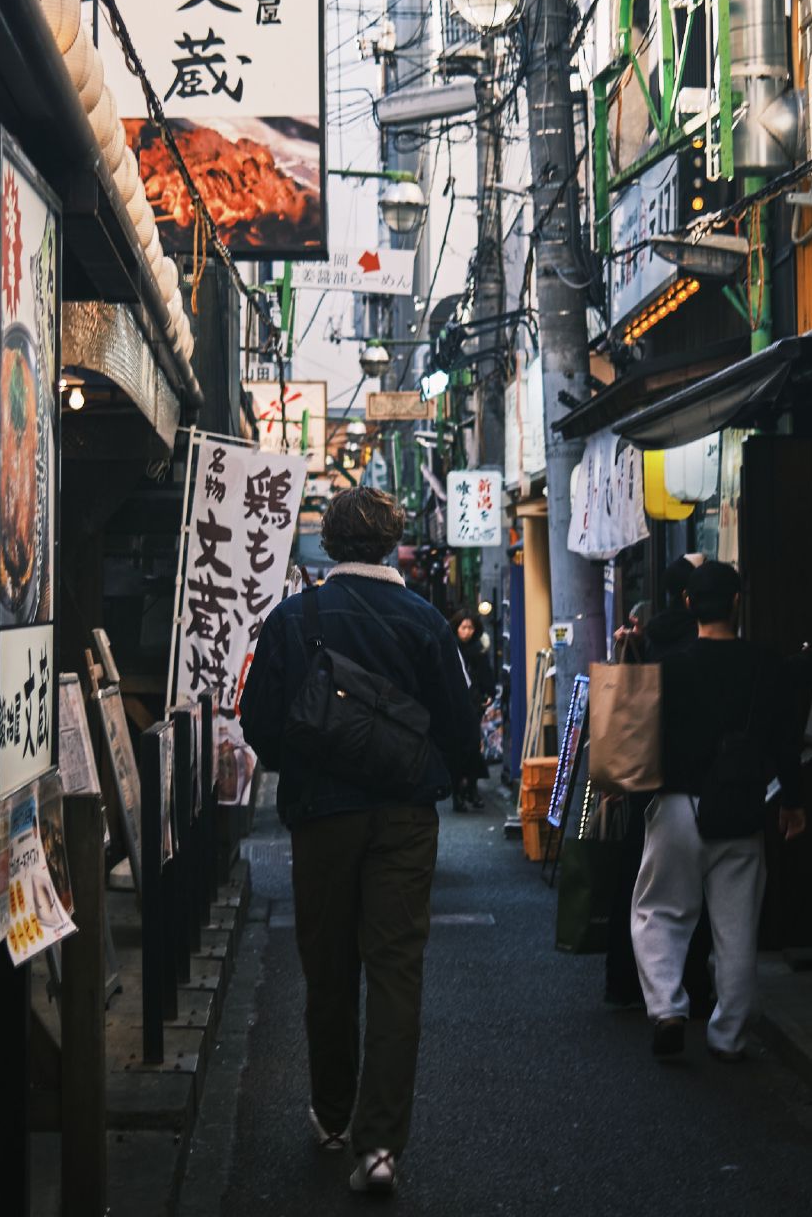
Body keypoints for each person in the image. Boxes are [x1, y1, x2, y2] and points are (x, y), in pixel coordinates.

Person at [239, 487, 479, 1195]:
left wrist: (317, 755)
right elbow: (462, 736)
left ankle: (333, 1113)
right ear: (391, 545)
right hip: (405, 816)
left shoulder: (293, 619)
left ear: (331, 542)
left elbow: (259, 725)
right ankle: (379, 1148)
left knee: (328, 963)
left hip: (321, 814)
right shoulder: (426, 621)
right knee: (397, 969)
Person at [631, 559, 807, 1061]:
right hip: (740, 806)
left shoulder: (670, 667)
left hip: (676, 806)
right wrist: (793, 802)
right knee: (736, 926)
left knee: (660, 912)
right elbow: (784, 741)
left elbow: (643, 741)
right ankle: (728, 1034)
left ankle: (667, 1008)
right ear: (736, 603)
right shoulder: (766, 665)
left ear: (689, 605)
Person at [605, 555, 711, 1009]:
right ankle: (694, 988)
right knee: (694, 896)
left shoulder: (644, 640)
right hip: (692, 780)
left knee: (639, 887)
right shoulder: (698, 643)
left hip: (641, 778)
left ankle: (628, 984)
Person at [450, 608, 493, 811]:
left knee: (473, 746)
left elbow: (486, 675)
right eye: (463, 627)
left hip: (474, 702)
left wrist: (488, 694)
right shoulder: (450, 648)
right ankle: (459, 791)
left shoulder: (478, 650)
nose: (466, 631)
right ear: (456, 628)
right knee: (458, 748)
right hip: (455, 704)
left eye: (470, 627)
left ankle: (471, 788)